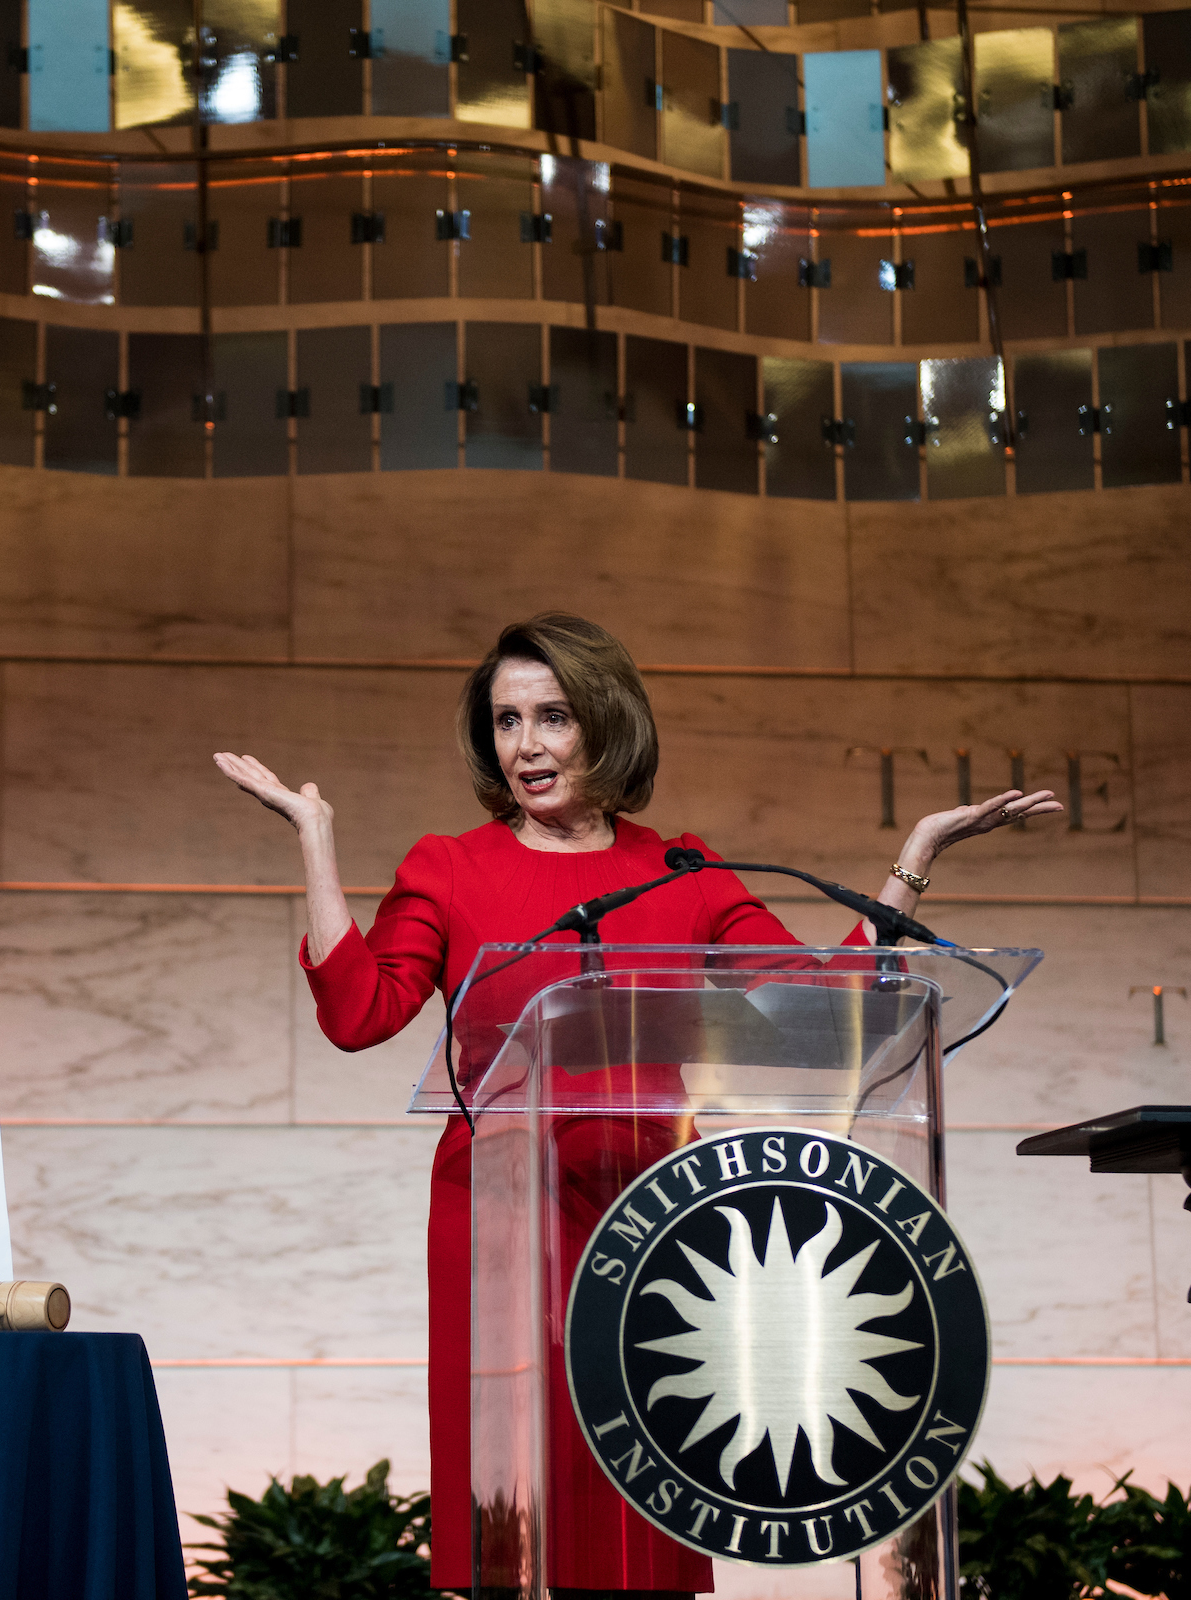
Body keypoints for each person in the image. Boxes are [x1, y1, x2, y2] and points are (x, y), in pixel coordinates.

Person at [214, 612, 1059, 1594]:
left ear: (607, 722)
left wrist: (916, 854)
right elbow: (360, 1013)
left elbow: (829, 1002)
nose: (525, 745)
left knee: (642, 1494)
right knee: (517, 1511)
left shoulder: (682, 873)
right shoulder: (447, 867)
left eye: (553, 717)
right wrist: (317, 843)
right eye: (505, 721)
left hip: (648, 1219)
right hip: (498, 1216)